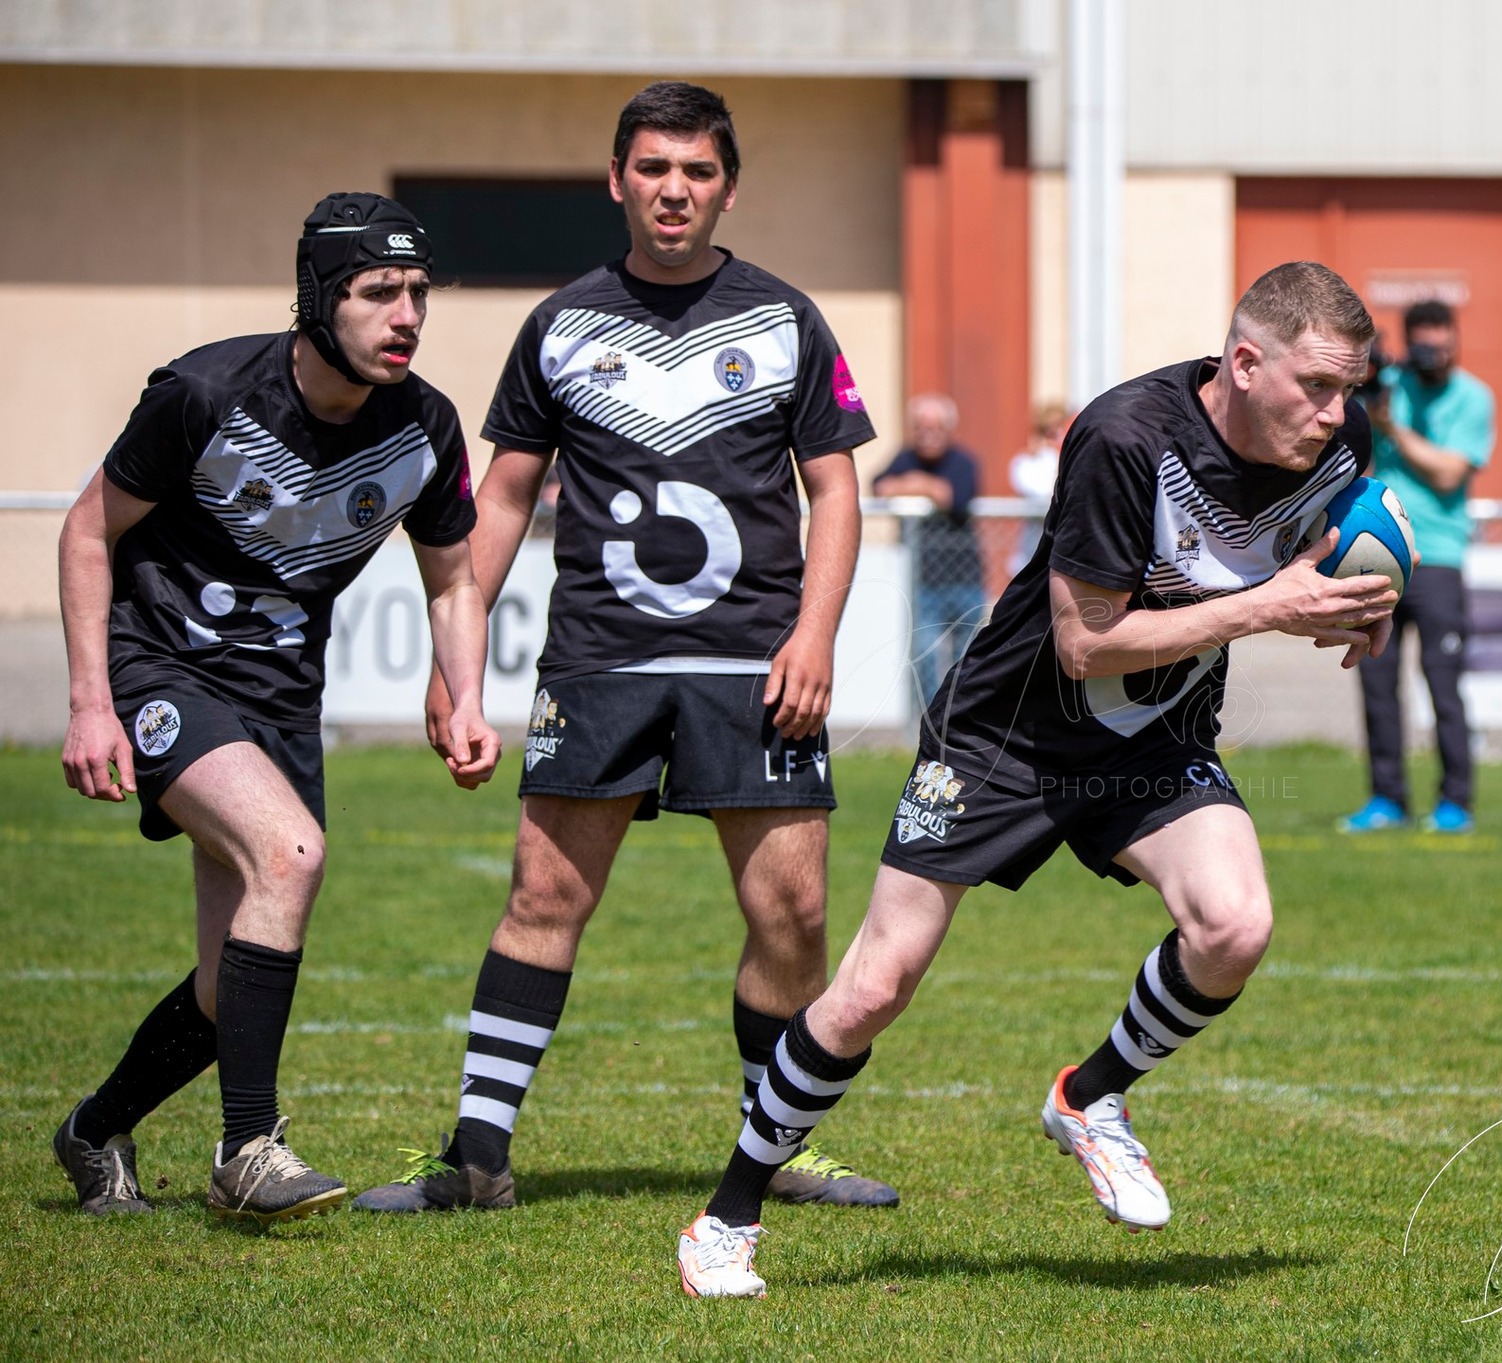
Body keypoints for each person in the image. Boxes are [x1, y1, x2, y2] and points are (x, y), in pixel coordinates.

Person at [674, 261, 1400, 1297]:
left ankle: (1089, 1096)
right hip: (1003, 738)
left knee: (1234, 925)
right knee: (875, 984)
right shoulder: (1126, 437)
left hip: (1151, 737)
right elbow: (1084, 643)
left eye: (1348, 389)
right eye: (1316, 386)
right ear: (1244, 363)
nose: (1335, 413)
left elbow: (1329, 550)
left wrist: (1362, 605)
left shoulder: (1341, 443)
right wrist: (1267, 609)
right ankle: (727, 1213)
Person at [353, 81, 899, 1214]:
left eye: (698, 171)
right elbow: (503, 497)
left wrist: (814, 635)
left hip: (754, 662)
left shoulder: (786, 318)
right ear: (617, 181)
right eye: (653, 167)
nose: (674, 190)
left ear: (728, 188)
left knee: (793, 914)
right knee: (543, 896)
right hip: (598, 659)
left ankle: (777, 1147)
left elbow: (837, 491)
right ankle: (476, 1156)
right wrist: (456, 663)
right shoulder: (560, 323)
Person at [52, 193, 499, 1222]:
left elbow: (453, 582)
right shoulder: (205, 394)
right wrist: (89, 702)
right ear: (317, 298)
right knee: (289, 855)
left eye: (418, 292)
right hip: (162, 668)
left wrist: (467, 694)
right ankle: (247, 1150)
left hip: (285, 701)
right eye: (378, 292)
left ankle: (94, 1128)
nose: (406, 315)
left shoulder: (424, 426)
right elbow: (86, 531)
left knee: (231, 986)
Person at [1341, 298, 1495, 836]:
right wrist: (1362, 391)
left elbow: (1449, 473)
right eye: (1426, 346)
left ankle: (1455, 802)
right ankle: (1387, 799)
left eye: (1445, 345)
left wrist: (1394, 428)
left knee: (1443, 683)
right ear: (1408, 344)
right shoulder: (1388, 385)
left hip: (1440, 559)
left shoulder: (1474, 397)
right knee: (1376, 682)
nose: (1437, 355)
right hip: (1377, 558)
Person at [873, 394, 985, 708]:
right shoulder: (904, 458)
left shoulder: (964, 462)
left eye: (935, 428)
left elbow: (954, 497)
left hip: (965, 579)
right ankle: (930, 717)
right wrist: (928, 487)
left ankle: (961, 715)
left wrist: (913, 483)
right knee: (924, 655)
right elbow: (880, 487)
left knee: (968, 657)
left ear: (949, 429)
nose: (928, 435)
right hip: (923, 581)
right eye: (921, 428)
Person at [1006, 400, 1071, 573]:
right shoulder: (1026, 462)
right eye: (1048, 431)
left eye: (1060, 428)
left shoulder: (1071, 458)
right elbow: (1041, 492)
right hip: (1032, 550)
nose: (1055, 436)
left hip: (1066, 550)